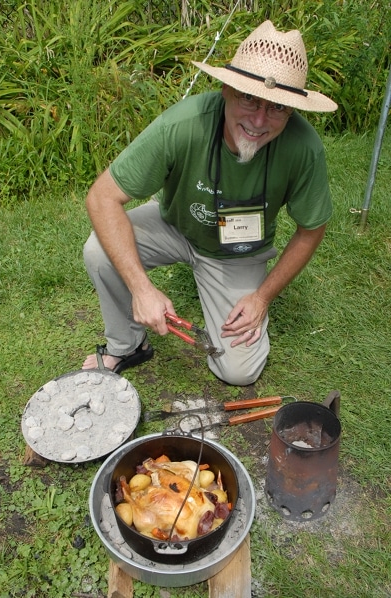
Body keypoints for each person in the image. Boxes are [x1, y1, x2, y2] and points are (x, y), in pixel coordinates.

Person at [82, 20, 337, 386]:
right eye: (249, 98)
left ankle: (230, 292)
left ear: (292, 110)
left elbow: (312, 229)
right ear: (226, 89)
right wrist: (142, 288)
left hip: (238, 253)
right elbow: (102, 196)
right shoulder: (183, 124)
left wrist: (262, 298)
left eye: (277, 107)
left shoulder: (304, 148)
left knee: (238, 371)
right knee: (98, 249)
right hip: (175, 226)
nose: (259, 120)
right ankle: (127, 345)